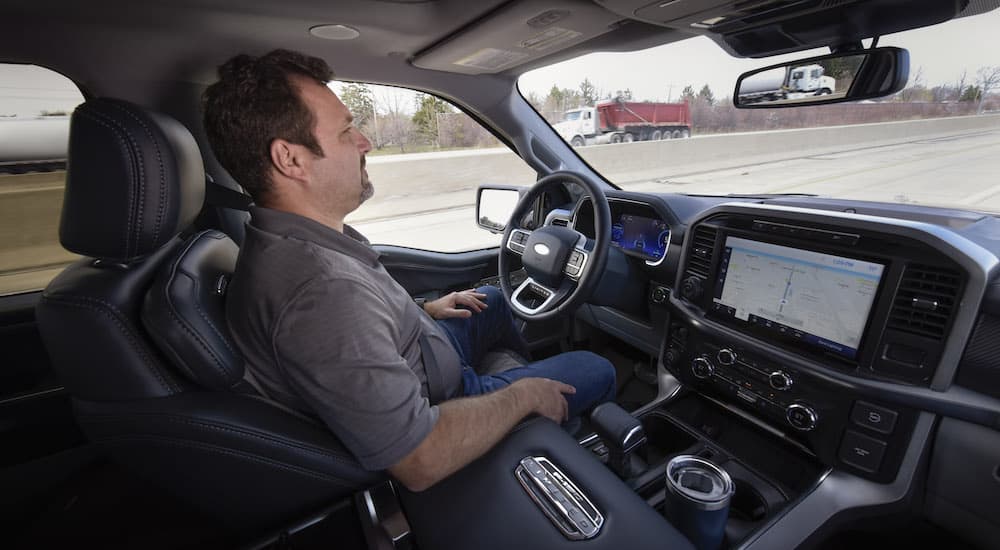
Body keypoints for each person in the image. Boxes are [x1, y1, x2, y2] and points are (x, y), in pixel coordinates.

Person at [202, 49, 616, 492]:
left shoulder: (294, 240)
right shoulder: (320, 292)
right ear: (291, 160)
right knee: (599, 368)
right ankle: (543, 432)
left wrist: (422, 312)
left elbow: (359, 325)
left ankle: (533, 408)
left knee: (492, 301)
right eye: (345, 132)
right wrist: (520, 397)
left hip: (421, 360)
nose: (365, 142)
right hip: (440, 404)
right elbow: (418, 457)